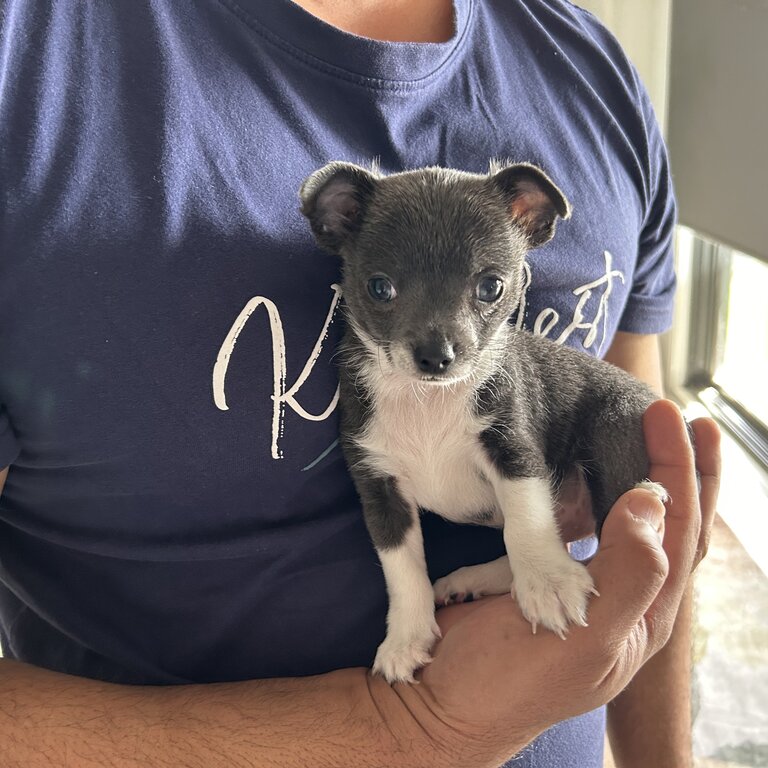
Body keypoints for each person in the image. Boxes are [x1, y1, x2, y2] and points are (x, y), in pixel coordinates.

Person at [0, 1, 720, 765]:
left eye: (485, 293)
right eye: (383, 291)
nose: (444, 343)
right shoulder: (31, 55)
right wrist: (403, 732)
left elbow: (653, 526)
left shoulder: (594, 71)